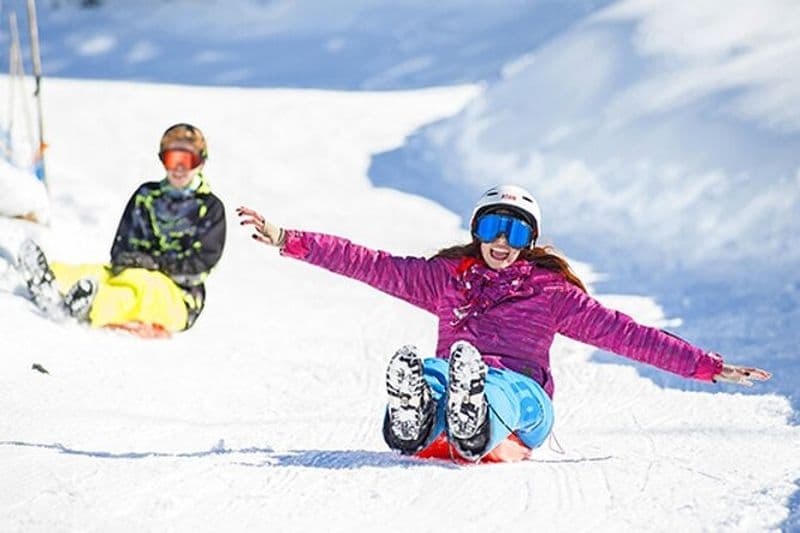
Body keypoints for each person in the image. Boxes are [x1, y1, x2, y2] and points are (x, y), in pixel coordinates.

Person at [237, 184, 770, 463]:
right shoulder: (448, 279)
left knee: (497, 387)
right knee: (434, 372)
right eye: (493, 226)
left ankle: (473, 418)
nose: (501, 242)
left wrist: (706, 367)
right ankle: (416, 417)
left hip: (524, 403)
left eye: (515, 233)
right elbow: (369, 263)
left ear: (529, 243)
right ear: (477, 230)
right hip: (456, 381)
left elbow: (628, 335)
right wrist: (289, 239)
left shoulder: (551, 294)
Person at [17, 123, 226, 336]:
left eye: (187, 160)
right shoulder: (147, 196)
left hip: (179, 297)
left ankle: (90, 305)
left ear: (200, 163)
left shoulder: (209, 207)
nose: (179, 168)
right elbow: (122, 244)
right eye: (172, 159)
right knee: (97, 273)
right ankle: (50, 279)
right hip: (132, 273)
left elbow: (202, 263)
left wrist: (156, 264)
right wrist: (128, 259)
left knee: (139, 291)